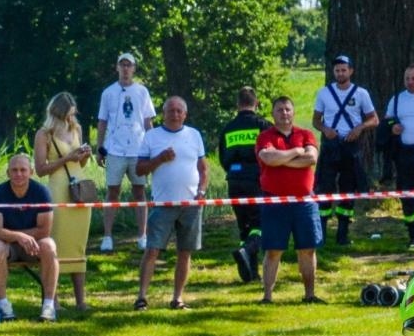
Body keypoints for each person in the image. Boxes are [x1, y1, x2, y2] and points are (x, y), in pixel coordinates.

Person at [134, 96, 206, 310]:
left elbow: (203, 168)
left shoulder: (194, 135)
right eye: (171, 110)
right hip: (163, 204)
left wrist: (202, 190)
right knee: (152, 250)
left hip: (191, 205)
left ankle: (178, 298)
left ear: (185, 114)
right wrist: (160, 159)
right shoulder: (151, 137)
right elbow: (139, 170)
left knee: (185, 252)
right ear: (163, 113)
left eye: (179, 111)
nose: (175, 114)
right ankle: (141, 297)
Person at [255, 96, 323, 304]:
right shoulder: (264, 136)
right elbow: (267, 158)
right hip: (275, 201)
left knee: (307, 248)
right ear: (272, 113)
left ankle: (309, 295)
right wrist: (294, 152)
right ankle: (267, 296)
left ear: (293, 112)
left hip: (304, 202)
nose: (284, 113)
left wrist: (281, 160)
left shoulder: (306, 134)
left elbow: (311, 158)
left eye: (287, 109)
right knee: (273, 249)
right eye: (279, 110)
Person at [32, 91, 92, 311]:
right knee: (56, 242)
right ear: (58, 113)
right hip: (58, 189)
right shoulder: (44, 134)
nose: (70, 119)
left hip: (79, 190)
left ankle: (80, 300)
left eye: (72, 115)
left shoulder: (76, 129)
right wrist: (68, 157)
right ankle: (52, 299)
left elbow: (80, 165)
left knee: (78, 245)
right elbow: (40, 169)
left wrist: (84, 155)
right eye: (67, 115)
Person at [311, 54, 378, 245]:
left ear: (351, 71)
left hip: (351, 146)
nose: (340, 73)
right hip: (331, 146)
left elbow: (374, 119)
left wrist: (360, 128)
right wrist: (325, 129)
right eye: (337, 70)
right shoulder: (324, 93)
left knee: (348, 190)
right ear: (333, 72)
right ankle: (320, 235)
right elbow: (316, 119)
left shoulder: (361, 94)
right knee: (324, 188)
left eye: (344, 70)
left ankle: (343, 234)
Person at [0, 153, 59, 323]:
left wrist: (24, 238)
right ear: (8, 172)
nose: (19, 174)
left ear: (31, 172)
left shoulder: (41, 192)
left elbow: (45, 230)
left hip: (34, 246)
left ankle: (49, 306)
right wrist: (19, 236)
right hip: (7, 245)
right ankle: (4, 306)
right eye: (14, 170)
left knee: (49, 245)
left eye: (23, 170)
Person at [95, 51, 156, 251]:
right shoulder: (108, 92)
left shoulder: (142, 92)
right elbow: (102, 121)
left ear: (134, 68)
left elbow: (148, 121)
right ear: (117, 68)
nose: (126, 69)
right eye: (122, 65)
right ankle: (107, 236)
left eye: (129, 65)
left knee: (139, 190)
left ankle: (142, 235)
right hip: (115, 148)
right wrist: (100, 147)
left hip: (138, 148)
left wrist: (153, 145)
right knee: (113, 190)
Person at [217, 86, 269, 281]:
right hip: (257, 179)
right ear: (256, 103)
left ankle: (250, 274)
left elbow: (222, 157)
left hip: (234, 180)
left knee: (244, 225)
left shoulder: (228, 128)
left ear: (237, 104)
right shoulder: (263, 125)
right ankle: (246, 250)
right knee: (261, 223)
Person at [381, 63, 414, 247]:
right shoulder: (396, 99)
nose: (410, 82)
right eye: (407, 79)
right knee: (408, 194)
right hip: (404, 153)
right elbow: (386, 123)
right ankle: (412, 233)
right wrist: (392, 127)